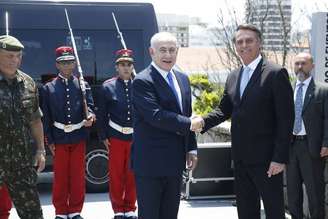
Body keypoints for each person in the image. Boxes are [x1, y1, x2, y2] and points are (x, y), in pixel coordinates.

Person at [194, 24, 295, 219]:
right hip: (240, 159)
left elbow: (286, 119)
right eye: (239, 41)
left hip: (268, 161)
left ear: (259, 43)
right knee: (246, 212)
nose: (244, 45)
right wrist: (201, 121)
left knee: (274, 212)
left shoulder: (275, 73)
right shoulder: (233, 76)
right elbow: (224, 110)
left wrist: (279, 158)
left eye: (249, 40)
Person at [131, 32, 199, 219]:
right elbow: (156, 116)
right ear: (152, 52)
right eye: (163, 50)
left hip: (175, 163)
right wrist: (190, 124)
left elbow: (187, 114)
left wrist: (191, 148)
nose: (168, 55)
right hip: (150, 165)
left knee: (170, 214)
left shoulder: (182, 78)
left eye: (172, 50)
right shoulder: (142, 81)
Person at [41, 46, 95, 219]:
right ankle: (61, 212)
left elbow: (92, 109)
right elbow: (46, 117)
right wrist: (49, 140)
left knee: (78, 177)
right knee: (61, 178)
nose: (67, 66)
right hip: (59, 137)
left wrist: (91, 117)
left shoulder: (82, 85)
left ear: (74, 63)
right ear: (57, 64)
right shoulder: (48, 88)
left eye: (70, 62)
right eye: (63, 62)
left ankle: (75, 211)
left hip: (78, 136)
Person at [0, 35, 45, 219]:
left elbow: (35, 120)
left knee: (33, 214)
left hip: (22, 163)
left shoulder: (28, 83)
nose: (14, 60)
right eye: (9, 55)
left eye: (18, 56)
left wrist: (41, 149)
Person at [286, 52, 328, 219]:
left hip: (313, 148)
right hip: (290, 147)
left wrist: (326, 143)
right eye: (297, 64)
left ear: (312, 66)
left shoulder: (323, 90)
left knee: (315, 193)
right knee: (293, 193)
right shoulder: (287, 89)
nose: (300, 67)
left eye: (304, 63)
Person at [96, 49, 137, 219]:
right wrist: (104, 136)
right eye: (122, 65)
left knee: (132, 174)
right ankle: (118, 209)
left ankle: (130, 208)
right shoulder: (108, 86)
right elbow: (101, 115)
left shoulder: (140, 85)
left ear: (132, 66)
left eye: (128, 64)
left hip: (135, 137)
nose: (126, 68)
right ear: (117, 67)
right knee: (116, 174)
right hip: (116, 136)